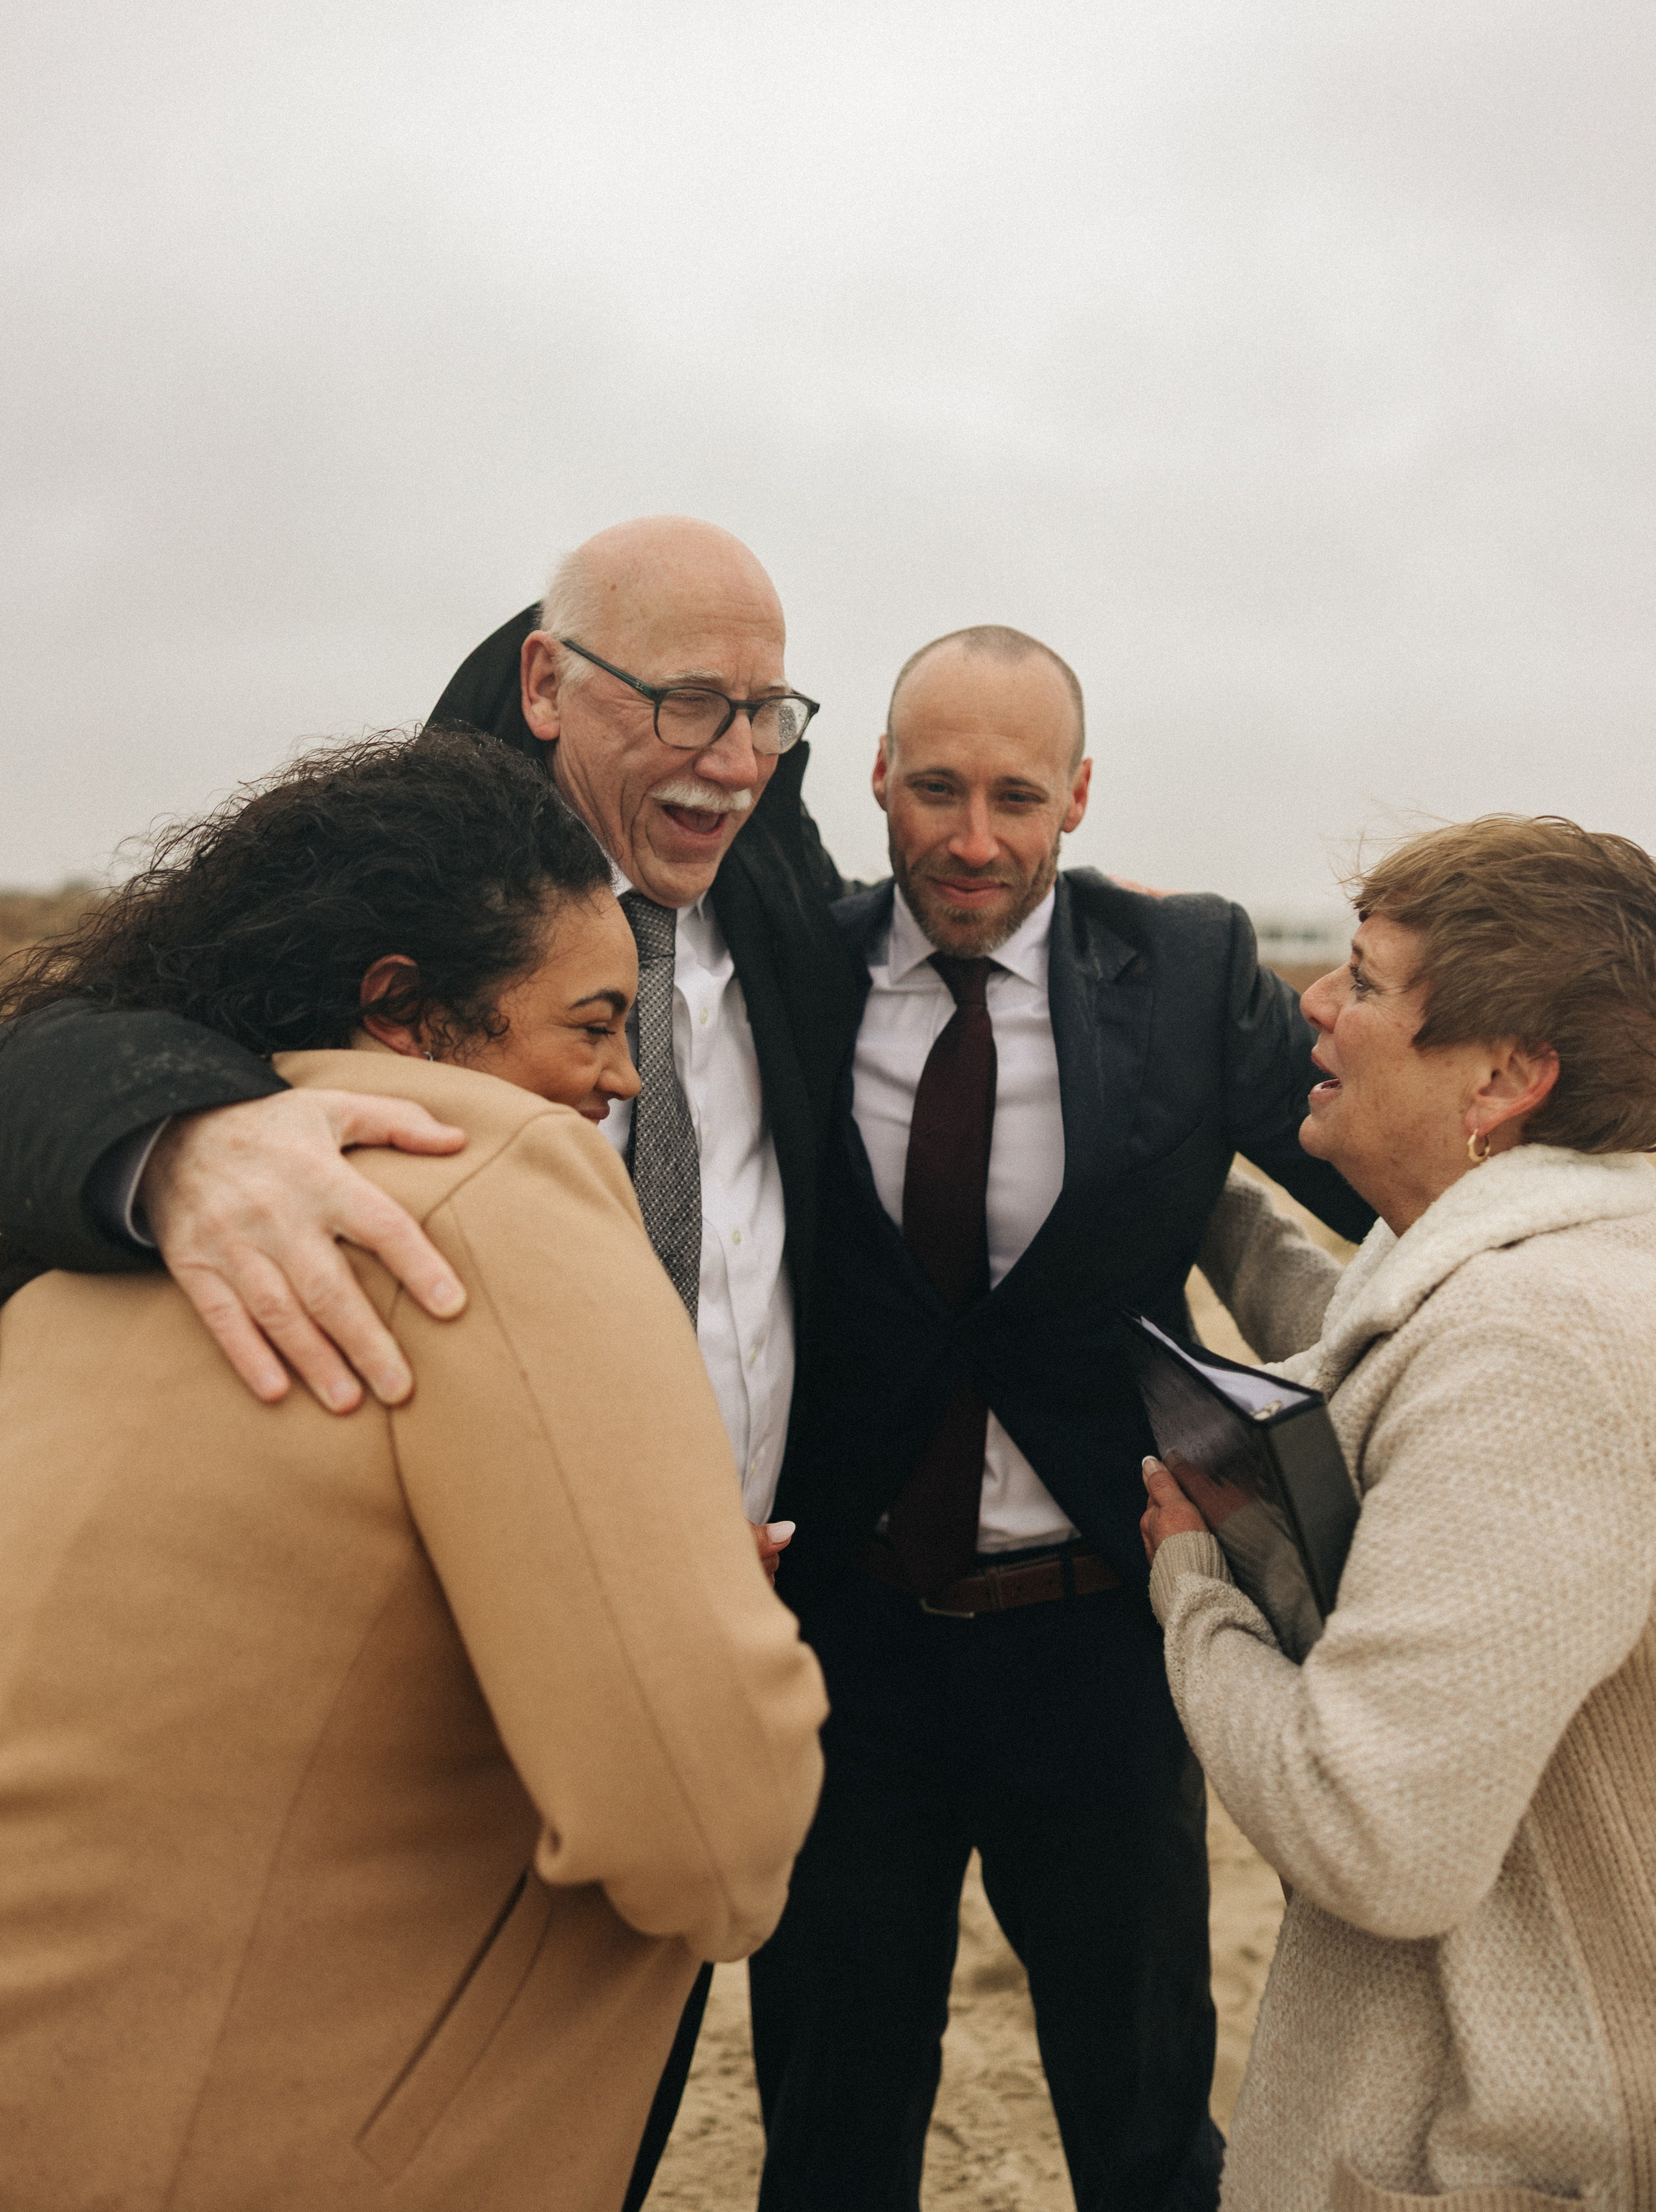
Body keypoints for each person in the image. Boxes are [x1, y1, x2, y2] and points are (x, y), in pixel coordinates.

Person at [0, 516, 864, 2198]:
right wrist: (177, 1143)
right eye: (690, 703)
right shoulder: (421, 911)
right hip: (410, 1741)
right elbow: (63, 1050)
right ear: (549, 683)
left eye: (772, 712)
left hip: (716, 1632)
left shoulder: (775, 883)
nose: (736, 756)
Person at [750, 626, 1374, 2212]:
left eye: (1015, 795)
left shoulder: (1183, 972)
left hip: (1101, 1637)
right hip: (841, 1641)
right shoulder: (786, 969)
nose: (973, 839)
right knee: (829, 2119)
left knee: (1145, 2116)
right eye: (938, 788)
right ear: (878, 778)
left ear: (1078, 796)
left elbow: (1372, 1178)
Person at [1140, 815, 1656, 2212]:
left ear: (1502, 1076)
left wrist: (1189, 1587)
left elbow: (1372, 1830)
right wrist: (1209, 1202)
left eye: (1360, 983)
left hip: (1491, 2154)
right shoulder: (1572, 1261)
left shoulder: (1540, 1352)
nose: (1313, 1002)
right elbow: (1385, 1390)